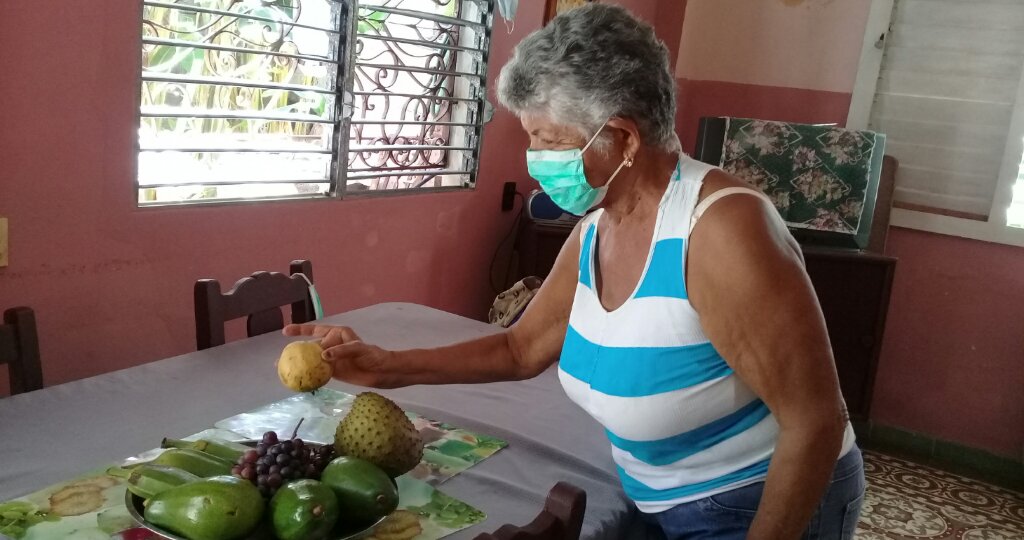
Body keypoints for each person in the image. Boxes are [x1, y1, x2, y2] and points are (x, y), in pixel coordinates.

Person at [285, 4, 864, 539]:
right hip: (651, 495)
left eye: (549, 140)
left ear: (622, 138)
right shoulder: (597, 226)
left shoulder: (721, 232)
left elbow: (813, 421)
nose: (534, 159)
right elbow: (520, 350)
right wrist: (388, 368)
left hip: (758, 503)